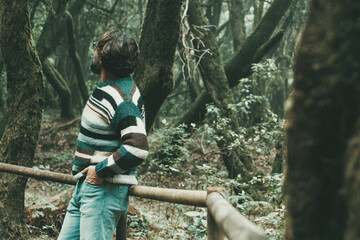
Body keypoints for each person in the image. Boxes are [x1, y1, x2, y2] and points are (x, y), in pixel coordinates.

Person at [58, 28, 149, 240]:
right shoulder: (109, 88)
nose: (94, 52)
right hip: (88, 187)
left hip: (103, 190)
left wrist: (99, 171)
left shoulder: (123, 98)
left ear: (104, 56)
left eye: (97, 47)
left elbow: (137, 148)